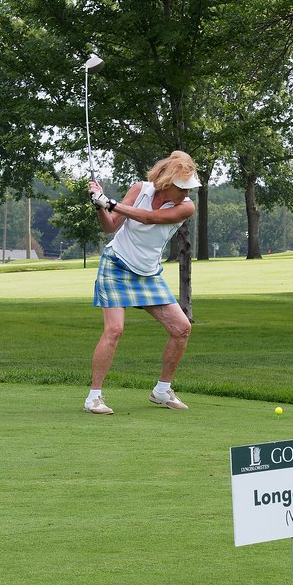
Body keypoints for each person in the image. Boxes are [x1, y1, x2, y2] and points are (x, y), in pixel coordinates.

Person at [83, 150, 200, 415]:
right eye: (181, 187)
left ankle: (162, 391)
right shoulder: (139, 190)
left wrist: (109, 202)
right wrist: (100, 206)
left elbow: (148, 218)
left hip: (148, 274)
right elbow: (110, 226)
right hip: (116, 265)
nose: (185, 193)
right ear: (166, 183)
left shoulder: (186, 206)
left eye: (188, 188)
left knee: (181, 328)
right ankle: (94, 398)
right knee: (114, 330)